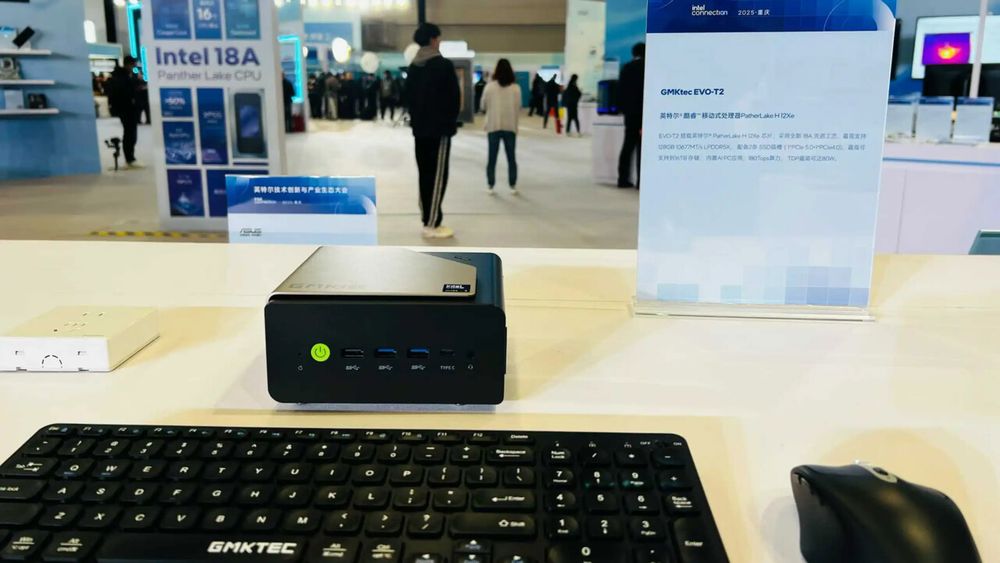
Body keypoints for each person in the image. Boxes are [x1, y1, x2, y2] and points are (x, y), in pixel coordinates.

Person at [405, 22, 461, 239]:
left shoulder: (414, 66)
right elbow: (454, 98)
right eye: (438, 38)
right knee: (438, 176)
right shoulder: (443, 65)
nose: (439, 42)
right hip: (439, 130)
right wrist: (450, 122)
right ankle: (432, 223)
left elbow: (407, 98)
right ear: (432, 40)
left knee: (424, 174)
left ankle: (426, 216)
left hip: (420, 129)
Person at [482, 59, 521, 195]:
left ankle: (490, 185)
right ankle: (512, 184)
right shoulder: (516, 88)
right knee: (511, 158)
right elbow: (518, 107)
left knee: (492, 157)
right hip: (510, 126)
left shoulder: (489, 87)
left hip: (493, 125)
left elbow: (483, 105)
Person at [106, 56, 143, 169]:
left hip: (130, 109)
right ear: (128, 64)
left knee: (131, 133)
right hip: (125, 109)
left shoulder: (127, 76)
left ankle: (130, 158)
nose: (134, 67)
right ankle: (129, 159)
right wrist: (136, 84)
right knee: (129, 134)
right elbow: (123, 92)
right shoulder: (120, 77)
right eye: (133, 65)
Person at [618, 42, 645, 188]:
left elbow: (621, 90)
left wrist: (623, 108)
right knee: (642, 147)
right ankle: (641, 181)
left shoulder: (626, 67)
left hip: (629, 113)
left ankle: (622, 179)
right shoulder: (647, 67)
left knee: (627, 145)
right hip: (643, 112)